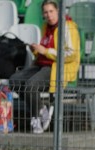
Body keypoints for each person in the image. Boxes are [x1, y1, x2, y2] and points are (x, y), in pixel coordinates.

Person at [9, 0, 80, 134]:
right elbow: (45, 48)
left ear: (58, 11)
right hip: (42, 64)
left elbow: (71, 54)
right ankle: (42, 109)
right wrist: (36, 49)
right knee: (14, 81)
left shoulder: (68, 27)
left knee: (31, 86)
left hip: (57, 67)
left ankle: (36, 118)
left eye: (51, 11)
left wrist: (45, 51)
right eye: (45, 12)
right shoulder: (45, 27)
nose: (49, 15)